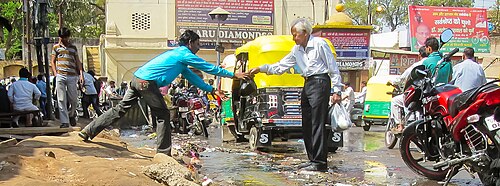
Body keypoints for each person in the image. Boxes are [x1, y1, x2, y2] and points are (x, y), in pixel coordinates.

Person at [79, 30, 249, 154]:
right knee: (163, 115)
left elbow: (194, 78)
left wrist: (212, 90)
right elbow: (207, 67)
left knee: (120, 109)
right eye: (197, 44)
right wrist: (233, 74)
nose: (198, 48)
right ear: (190, 43)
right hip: (147, 83)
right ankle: (163, 152)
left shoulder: (179, 57)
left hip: (137, 79)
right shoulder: (184, 54)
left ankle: (88, 131)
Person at [249, 18, 342, 172]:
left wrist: (337, 90)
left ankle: (319, 162)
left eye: (295, 35)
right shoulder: (296, 50)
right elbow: (280, 66)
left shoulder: (319, 44)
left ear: (305, 33)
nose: (293, 38)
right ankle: (312, 158)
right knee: (306, 122)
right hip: (307, 83)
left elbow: (333, 68)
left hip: (320, 82)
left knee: (317, 123)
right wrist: (261, 68)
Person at [51, 27, 84, 128]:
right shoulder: (56, 48)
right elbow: (52, 61)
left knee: (73, 99)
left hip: (72, 76)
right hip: (60, 75)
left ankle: (72, 114)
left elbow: (78, 61)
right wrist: (55, 73)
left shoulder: (73, 48)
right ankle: (64, 122)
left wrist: (81, 74)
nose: (64, 39)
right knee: (61, 99)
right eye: (62, 37)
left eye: (66, 37)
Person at [389, 46, 428, 132]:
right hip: (430, 93)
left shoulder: (418, 65)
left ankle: (400, 125)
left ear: (419, 55)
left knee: (395, 101)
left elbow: (402, 77)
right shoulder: (436, 63)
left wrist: (393, 82)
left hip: (418, 94)